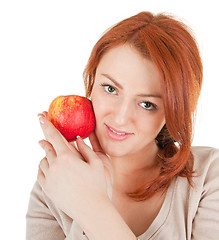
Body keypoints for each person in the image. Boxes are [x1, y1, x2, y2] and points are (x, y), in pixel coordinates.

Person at [26, 11, 219, 240]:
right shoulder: (55, 184)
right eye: (110, 88)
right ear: (92, 80)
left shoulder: (207, 177)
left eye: (147, 104)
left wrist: (93, 208)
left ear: (173, 111)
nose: (120, 118)